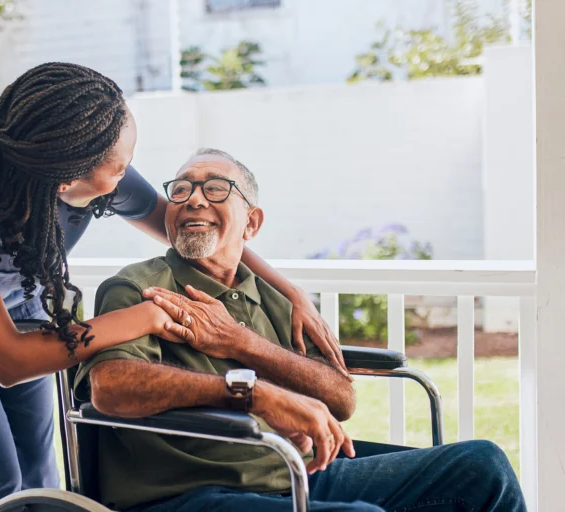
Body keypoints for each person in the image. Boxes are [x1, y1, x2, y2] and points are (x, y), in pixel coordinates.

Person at [0, 63, 345, 512]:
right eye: (119, 169)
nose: (126, 176)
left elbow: (181, 226)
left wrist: (287, 290)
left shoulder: (94, 154)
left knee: (40, 469)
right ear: (66, 178)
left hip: (23, 296)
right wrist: (143, 317)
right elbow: (8, 361)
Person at [74, 148, 526, 512]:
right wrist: (253, 392)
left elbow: (341, 399)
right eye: (181, 190)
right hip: (188, 491)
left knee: (482, 465)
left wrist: (242, 342)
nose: (193, 199)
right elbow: (111, 387)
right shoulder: (139, 287)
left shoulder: (275, 299)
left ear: (251, 222)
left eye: (215, 189)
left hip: (296, 471)